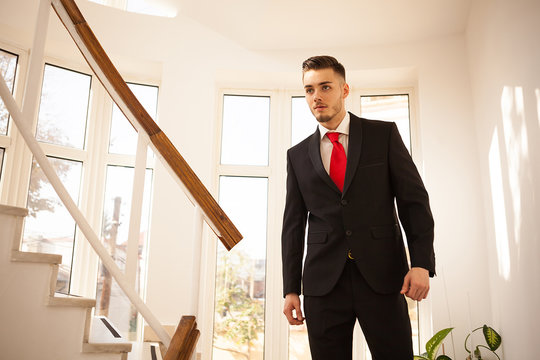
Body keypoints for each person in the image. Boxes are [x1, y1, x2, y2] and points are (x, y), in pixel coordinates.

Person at [281, 55, 435, 360]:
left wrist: (421, 263)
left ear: (344, 89)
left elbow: (414, 202)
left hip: (382, 276)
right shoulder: (296, 156)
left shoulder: (383, 135)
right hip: (323, 285)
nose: (317, 96)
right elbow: (293, 226)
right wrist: (290, 289)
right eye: (309, 90)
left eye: (325, 87)